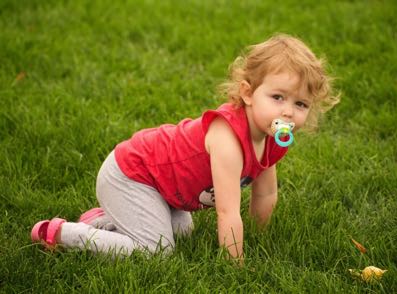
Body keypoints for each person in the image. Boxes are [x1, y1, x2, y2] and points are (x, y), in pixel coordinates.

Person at [31, 34, 339, 263]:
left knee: (182, 232)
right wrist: (237, 266)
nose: (288, 112)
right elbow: (227, 210)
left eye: (300, 104)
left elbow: (266, 193)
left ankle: (106, 221)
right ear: (247, 93)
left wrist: (259, 239)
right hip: (131, 175)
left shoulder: (272, 141)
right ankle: (60, 232)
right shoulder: (228, 139)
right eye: (278, 97)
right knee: (155, 252)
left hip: (164, 192)